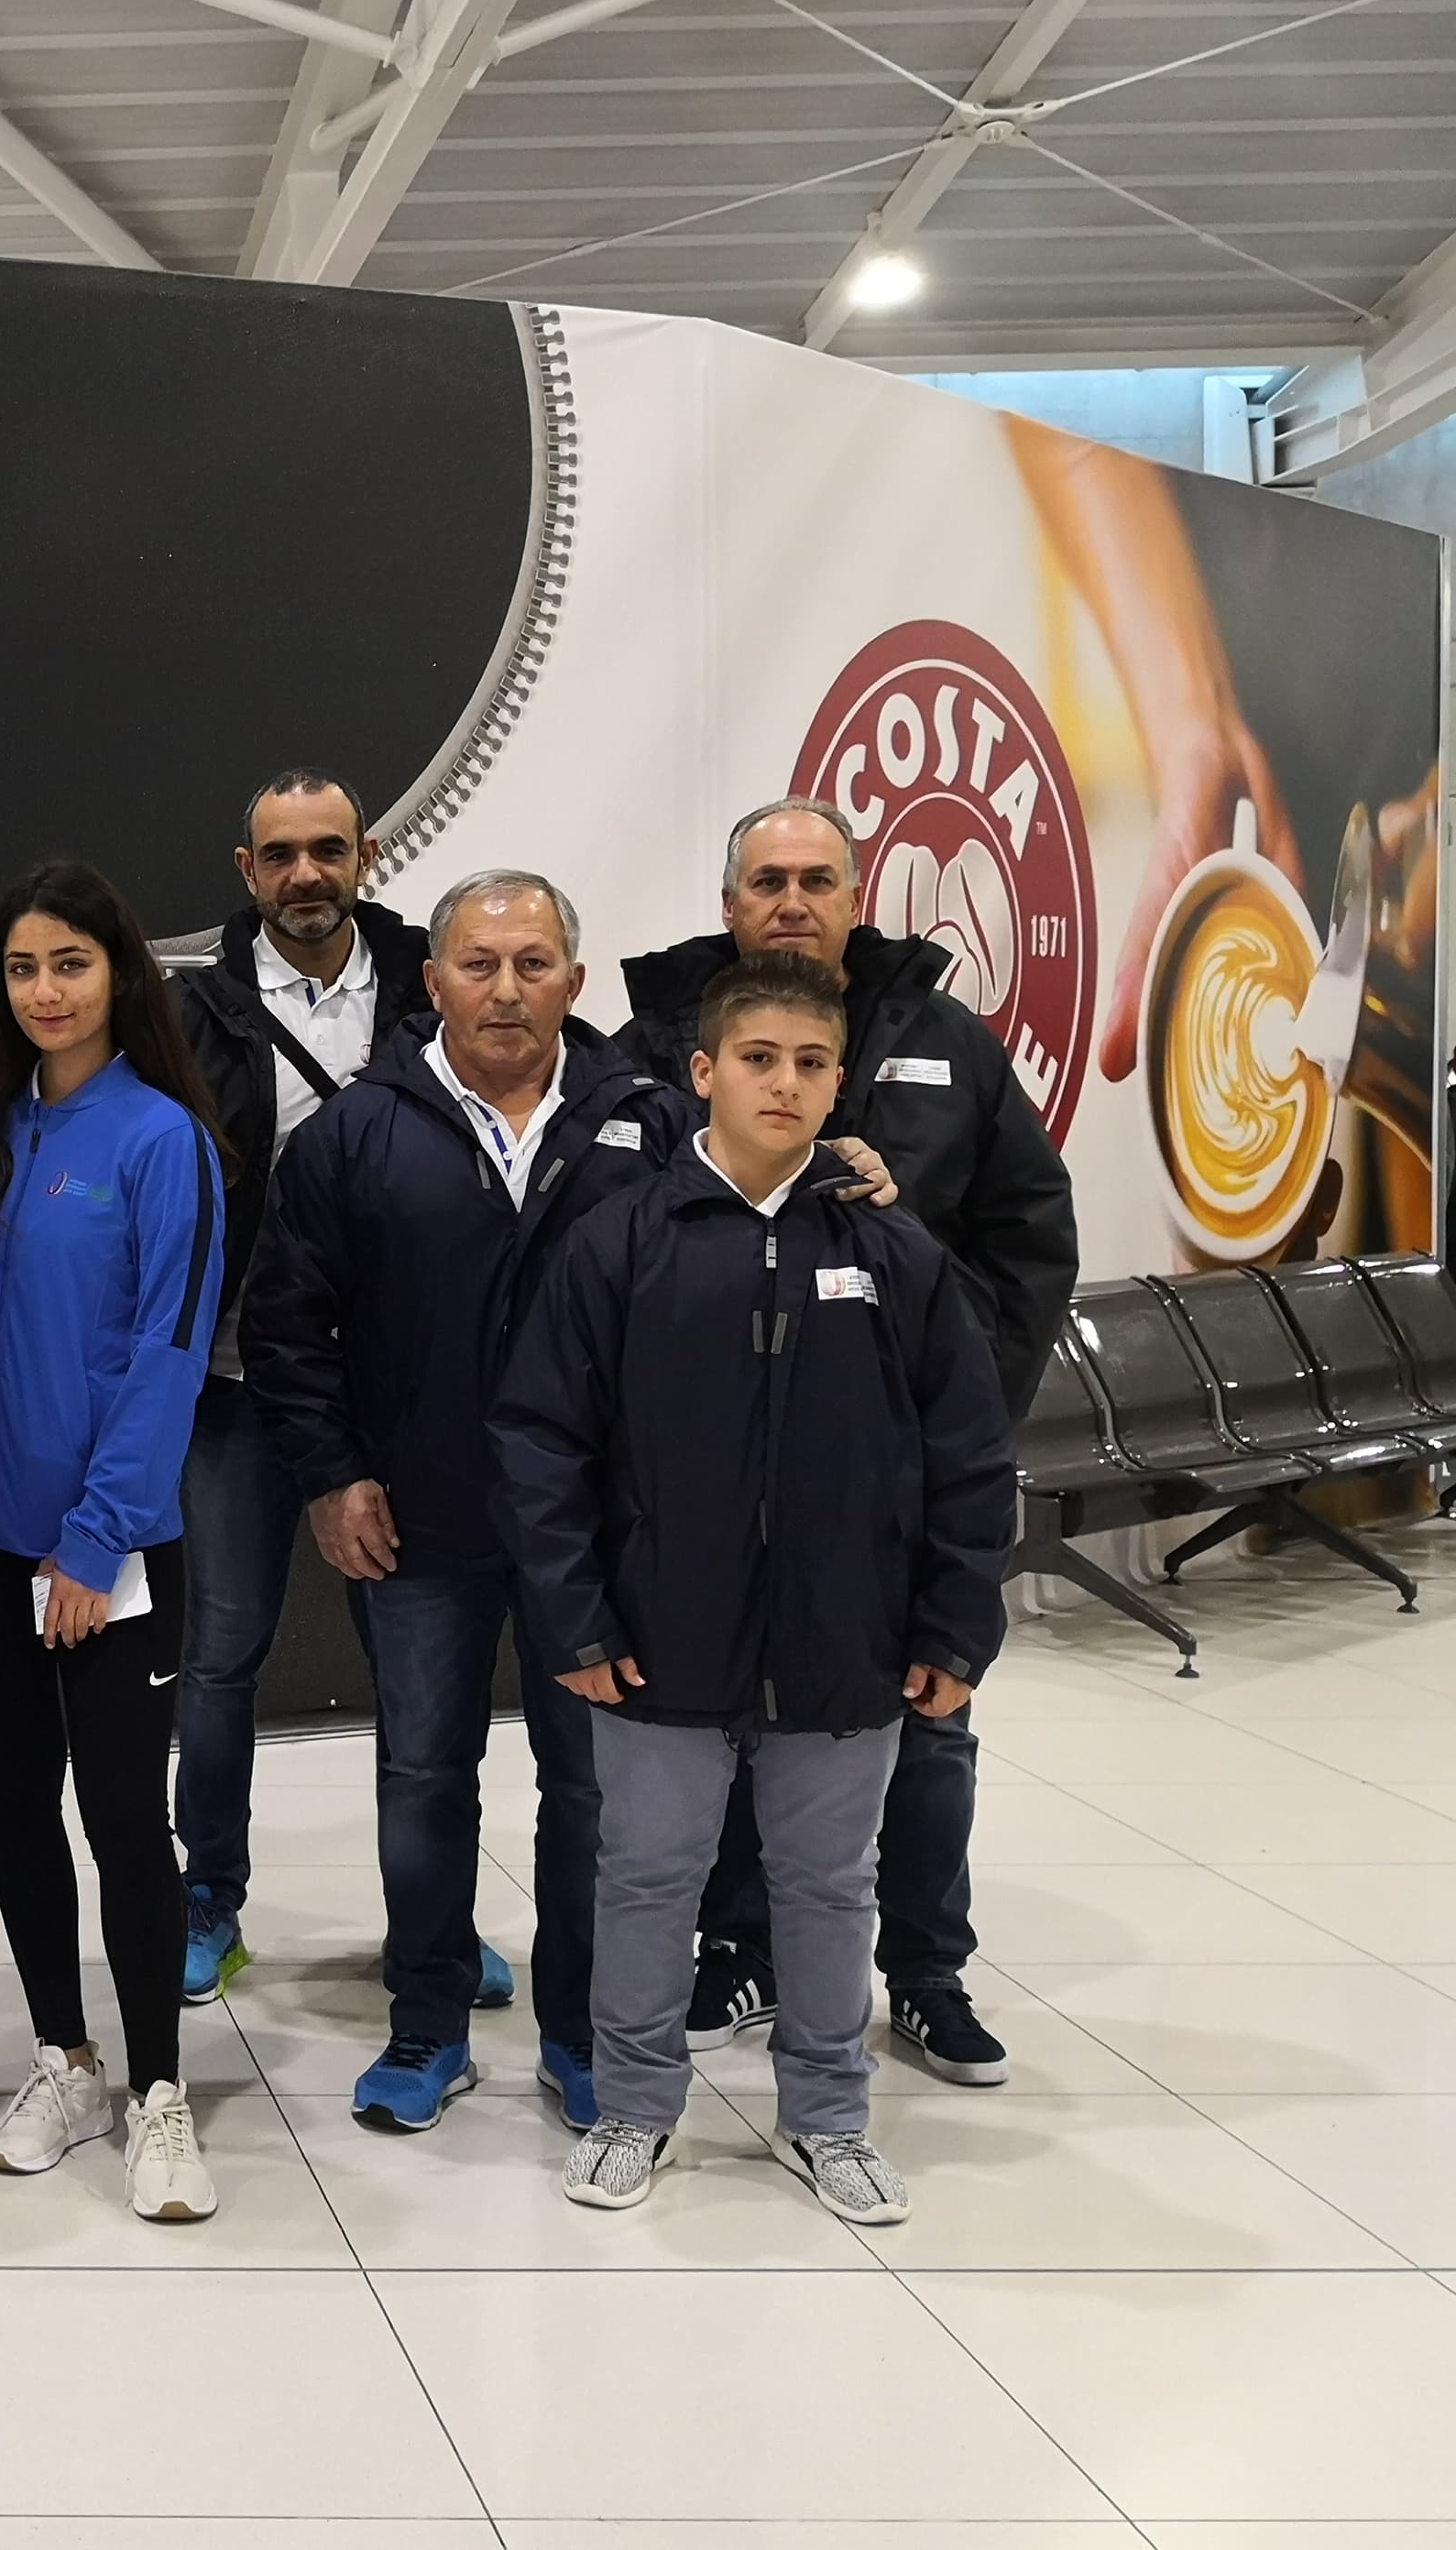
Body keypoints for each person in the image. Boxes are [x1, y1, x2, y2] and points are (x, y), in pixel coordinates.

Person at [495, 952, 1017, 2224]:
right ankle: (633, 2106)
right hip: (656, 1636)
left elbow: (967, 1452)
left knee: (829, 1887)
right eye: (758, 1059)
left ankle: (827, 2118)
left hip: (847, 1639)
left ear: (839, 1085)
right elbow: (541, 1441)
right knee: (646, 1878)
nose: (783, 1083)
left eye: (810, 1063)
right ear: (704, 1073)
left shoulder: (891, 1252)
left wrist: (956, 1621)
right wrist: (574, 1616)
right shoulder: (622, 1242)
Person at [617, 797, 1076, 2086]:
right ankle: (743, 1947)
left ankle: (925, 1972)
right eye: (766, 880)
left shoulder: (945, 1039)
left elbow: (1031, 1235)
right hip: (717, 1468)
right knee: (739, 1719)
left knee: (926, 1717)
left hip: (894, 1474)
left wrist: (961, 1408)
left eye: (816, 880)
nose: (791, 902)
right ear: (729, 904)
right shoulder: (653, 1045)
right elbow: (622, 1234)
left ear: (856, 898)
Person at [245, 870, 696, 2140]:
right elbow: (286, 1325)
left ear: (574, 981)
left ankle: (580, 2032)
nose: (506, 989)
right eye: (480, 965)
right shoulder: (352, 1135)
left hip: (595, 1534)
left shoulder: (651, 1124)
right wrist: (330, 1474)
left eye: (532, 964)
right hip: (420, 1519)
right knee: (423, 1776)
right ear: (432, 981)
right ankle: (427, 2024)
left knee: (590, 1790)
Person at [0, 860, 226, 2222]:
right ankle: (64, 2061)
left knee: (122, 1819)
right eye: (22, 968)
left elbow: (167, 1355)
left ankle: (158, 2090)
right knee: (15, 1801)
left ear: (119, 974)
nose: (45, 991)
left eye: (70, 963)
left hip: (106, 1555)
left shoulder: (165, 1141)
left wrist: (93, 1543)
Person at [168, 770, 429, 2004]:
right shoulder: (189, 1013)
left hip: (401, 1390)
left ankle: (427, 1919)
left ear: (365, 855)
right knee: (221, 1656)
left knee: (414, 1670)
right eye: (280, 854)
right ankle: (206, 1899)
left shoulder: (433, 984)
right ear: (246, 870)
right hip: (238, 1384)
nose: (305, 874)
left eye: (328, 849)